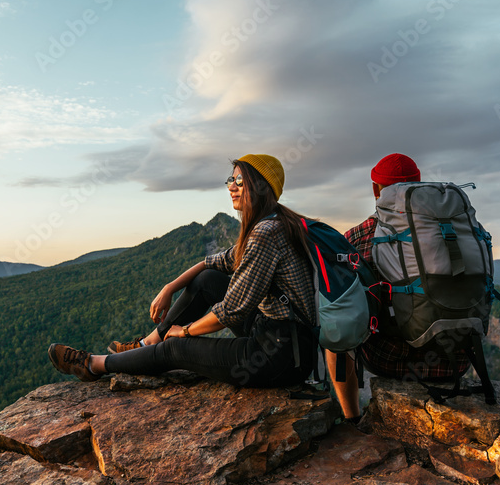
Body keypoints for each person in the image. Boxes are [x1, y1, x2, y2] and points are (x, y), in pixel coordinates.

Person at [48, 153, 317, 389]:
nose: (231, 187)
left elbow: (231, 311)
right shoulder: (273, 222)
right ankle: (148, 344)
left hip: (279, 355)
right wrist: (170, 287)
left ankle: (93, 364)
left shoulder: (266, 233)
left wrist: (184, 331)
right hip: (277, 334)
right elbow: (215, 263)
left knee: (176, 348)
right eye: (230, 180)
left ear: (260, 187)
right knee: (208, 279)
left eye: (239, 181)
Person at [326, 153, 471, 416]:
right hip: (455, 359)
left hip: (388, 360)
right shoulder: (455, 228)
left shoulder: (357, 237)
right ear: (418, 184)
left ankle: (352, 418)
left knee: (333, 324)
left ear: (375, 190)